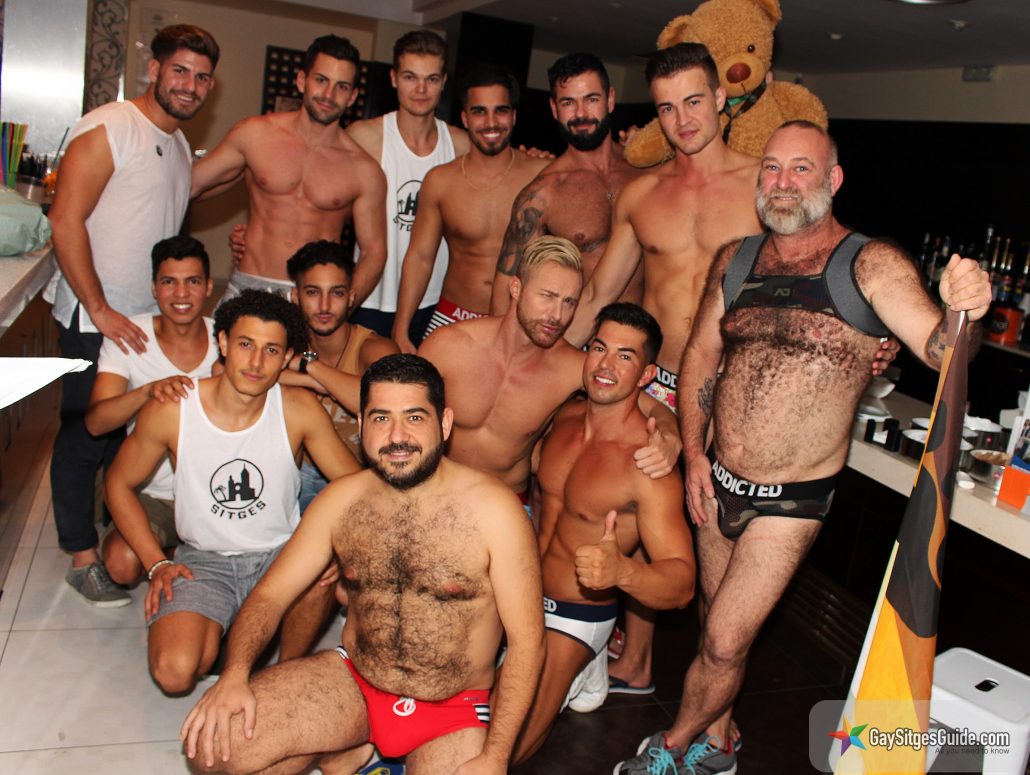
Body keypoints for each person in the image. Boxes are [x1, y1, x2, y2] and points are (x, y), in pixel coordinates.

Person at [614, 121, 992, 774]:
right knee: (715, 627)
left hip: (791, 502)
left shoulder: (869, 263)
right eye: (772, 167)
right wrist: (695, 455)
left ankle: (669, 751)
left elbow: (941, 349)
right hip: (718, 483)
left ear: (833, 180)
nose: (782, 182)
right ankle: (719, 745)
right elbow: (700, 354)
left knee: (724, 642)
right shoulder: (735, 259)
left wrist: (967, 312)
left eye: (801, 168)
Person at [178, 354, 544, 775]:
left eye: (414, 418)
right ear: (362, 424)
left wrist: (495, 756)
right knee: (211, 747)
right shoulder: (342, 501)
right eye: (381, 418)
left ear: (444, 424)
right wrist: (234, 674)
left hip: (452, 708)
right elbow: (271, 595)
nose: (397, 436)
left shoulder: (495, 511)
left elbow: (528, 643)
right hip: (356, 683)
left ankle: (347, 750)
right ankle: (348, 745)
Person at [104, 290, 361, 695]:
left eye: (271, 350)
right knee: (174, 673)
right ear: (222, 343)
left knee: (320, 573)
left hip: (280, 553)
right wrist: (156, 564)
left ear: (287, 357)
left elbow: (356, 486)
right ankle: (225, 629)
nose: (256, 363)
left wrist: (337, 546)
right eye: (245, 345)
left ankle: (283, 675)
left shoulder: (298, 407)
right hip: (205, 559)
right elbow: (117, 483)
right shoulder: (174, 407)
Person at [47, 24, 219, 606]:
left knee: (129, 437)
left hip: (144, 323)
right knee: (83, 435)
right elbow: (64, 219)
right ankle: (81, 557)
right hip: (93, 316)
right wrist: (98, 308)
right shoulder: (110, 127)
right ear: (155, 70)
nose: (190, 85)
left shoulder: (178, 147)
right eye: (180, 71)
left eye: (201, 77)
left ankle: (114, 527)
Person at [511, 303, 696, 765]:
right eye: (599, 348)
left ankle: (583, 653)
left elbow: (682, 584)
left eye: (625, 356)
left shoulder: (647, 465)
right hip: (520, 591)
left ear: (647, 374)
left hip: (575, 610)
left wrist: (623, 572)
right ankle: (586, 669)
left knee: (507, 743)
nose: (606, 365)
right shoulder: (563, 416)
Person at [419, 236, 681, 505]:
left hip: (507, 503)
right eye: (548, 296)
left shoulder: (571, 366)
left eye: (569, 302)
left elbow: (651, 405)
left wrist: (671, 436)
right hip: (435, 492)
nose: (557, 315)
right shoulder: (447, 346)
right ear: (516, 288)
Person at [191, 34, 387, 307]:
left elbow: (374, 253)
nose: (329, 95)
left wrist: (340, 307)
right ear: (301, 80)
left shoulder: (364, 171)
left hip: (312, 300)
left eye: (341, 86)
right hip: (248, 286)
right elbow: (188, 186)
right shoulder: (254, 134)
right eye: (321, 80)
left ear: (352, 96)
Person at [84, 236, 218, 585]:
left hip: (213, 491)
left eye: (192, 281)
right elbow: (96, 423)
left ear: (208, 287)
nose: (181, 293)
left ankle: (179, 551)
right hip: (150, 493)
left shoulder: (227, 339)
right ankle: (167, 550)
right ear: (154, 288)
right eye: (169, 282)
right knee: (122, 564)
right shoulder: (129, 336)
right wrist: (146, 392)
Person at [391, 63, 549, 352]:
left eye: (500, 110)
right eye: (479, 111)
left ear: (514, 116)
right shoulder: (441, 181)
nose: (491, 122)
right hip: (452, 317)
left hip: (519, 322)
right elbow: (420, 258)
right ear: (465, 117)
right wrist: (401, 329)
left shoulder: (542, 175)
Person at [489, 52, 645, 316]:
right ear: (554, 108)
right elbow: (505, 291)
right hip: (575, 334)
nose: (581, 113)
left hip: (644, 331)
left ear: (610, 99)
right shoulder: (543, 194)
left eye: (591, 99)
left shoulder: (645, 169)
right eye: (568, 102)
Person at [346, 30, 470, 344]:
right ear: (394, 78)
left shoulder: (461, 145)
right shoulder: (364, 137)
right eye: (410, 77)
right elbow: (321, 198)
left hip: (434, 301)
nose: (421, 89)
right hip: (371, 297)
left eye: (431, 79)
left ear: (443, 82)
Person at [281, 240, 398, 510]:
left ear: (351, 297)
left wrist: (310, 366)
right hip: (295, 472)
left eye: (336, 293)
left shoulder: (374, 347)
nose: (324, 305)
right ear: (295, 296)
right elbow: (230, 372)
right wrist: (311, 382)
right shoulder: (285, 341)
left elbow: (382, 401)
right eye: (313, 292)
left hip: (359, 474)